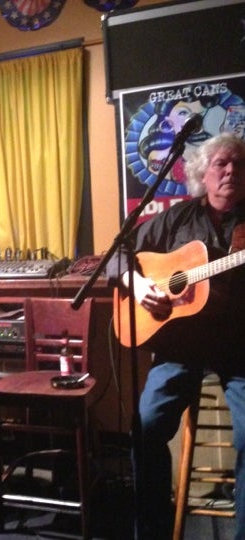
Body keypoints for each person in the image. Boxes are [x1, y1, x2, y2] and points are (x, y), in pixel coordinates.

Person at [108, 132, 245, 540]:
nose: (231, 170)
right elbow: (117, 256)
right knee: (146, 426)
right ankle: (151, 530)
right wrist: (139, 286)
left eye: (238, 163)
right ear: (203, 173)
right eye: (222, 163)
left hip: (238, 347)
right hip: (178, 348)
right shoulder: (175, 220)